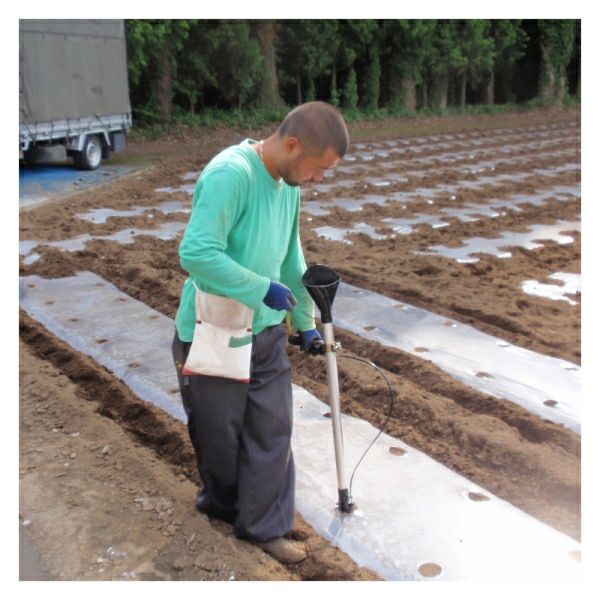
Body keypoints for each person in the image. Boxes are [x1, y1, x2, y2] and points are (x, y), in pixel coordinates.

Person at [172, 101, 349, 563]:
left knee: (272, 430)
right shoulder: (231, 175)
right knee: (220, 438)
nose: (319, 178)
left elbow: (291, 257)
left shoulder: (288, 185)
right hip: (214, 331)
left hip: (265, 333)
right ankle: (221, 510)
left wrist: (305, 321)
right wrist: (259, 288)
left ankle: (264, 527)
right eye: (318, 168)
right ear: (292, 145)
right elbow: (196, 253)